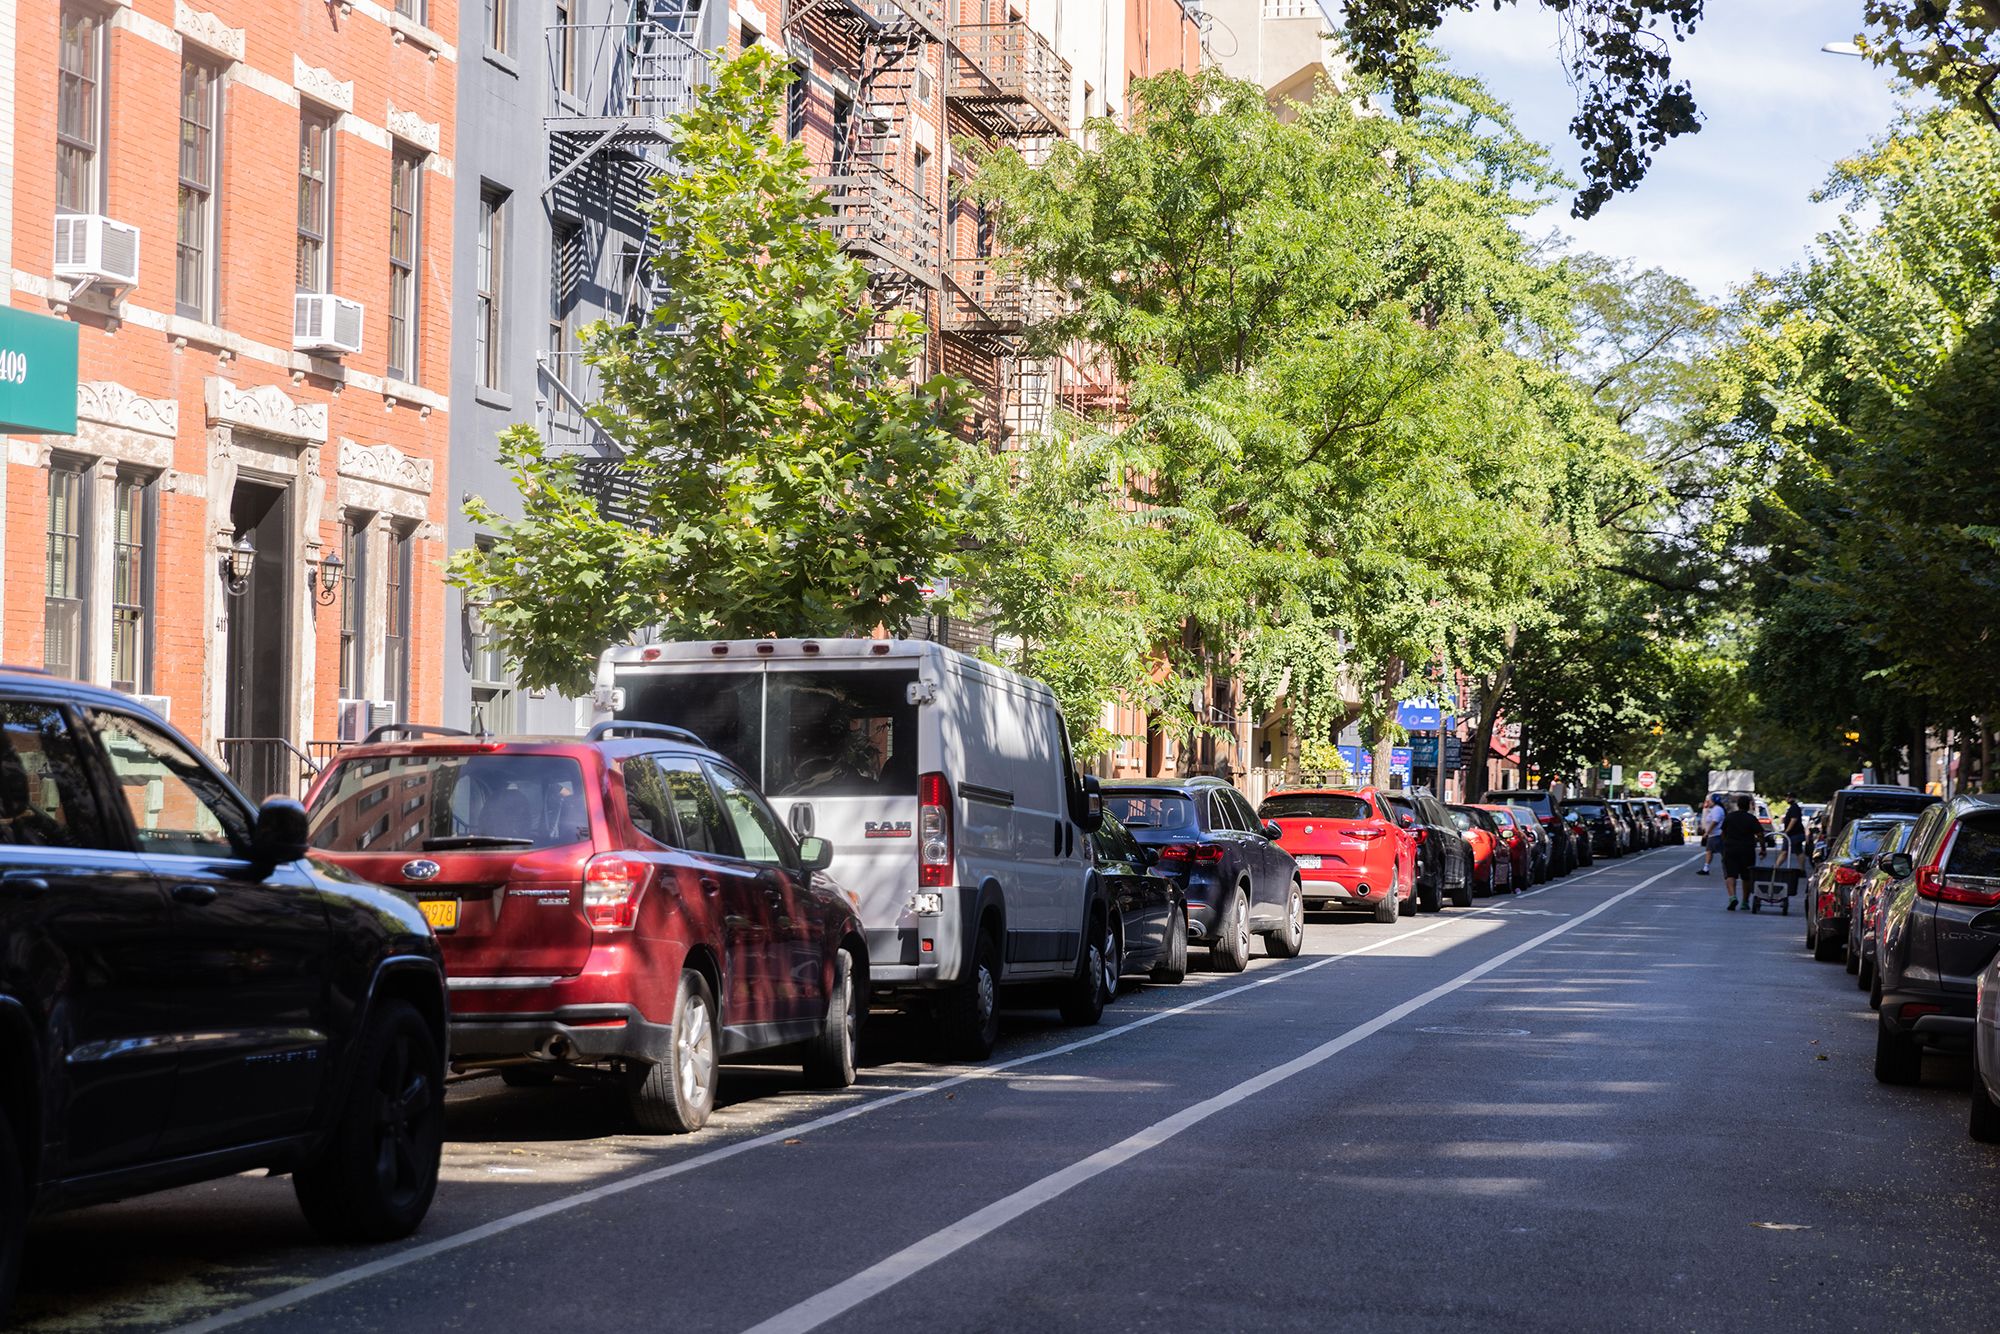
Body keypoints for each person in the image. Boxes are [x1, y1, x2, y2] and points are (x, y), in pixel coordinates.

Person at [1721, 794, 1763, 910]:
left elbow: (1723, 833)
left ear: (1738, 805)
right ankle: (1745, 901)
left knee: (1730, 875)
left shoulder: (1730, 817)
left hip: (1731, 849)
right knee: (1747, 877)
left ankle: (1732, 897)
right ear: (1748, 806)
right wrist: (1763, 849)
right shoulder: (1751, 818)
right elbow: (1760, 834)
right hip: (1747, 850)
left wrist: (1725, 845)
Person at [1697, 794, 1724, 875]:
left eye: (1710, 801)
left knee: (1721, 852)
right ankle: (1706, 868)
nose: (1709, 803)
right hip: (1713, 835)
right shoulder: (1714, 809)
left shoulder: (1717, 810)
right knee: (1710, 851)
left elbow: (1715, 821)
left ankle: (1729, 867)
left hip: (1717, 834)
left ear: (1714, 801)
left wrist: (1707, 832)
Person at [1778, 795, 1807, 869]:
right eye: (1787, 797)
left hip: (1793, 834)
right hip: (1796, 834)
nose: (1787, 799)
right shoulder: (1793, 807)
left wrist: (1787, 831)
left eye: (1789, 797)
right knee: (1798, 851)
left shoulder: (1794, 808)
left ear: (1793, 798)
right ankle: (1802, 869)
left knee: (1785, 851)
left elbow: (1793, 820)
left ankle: (1776, 867)